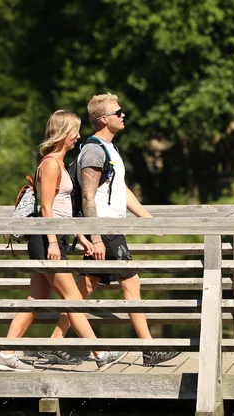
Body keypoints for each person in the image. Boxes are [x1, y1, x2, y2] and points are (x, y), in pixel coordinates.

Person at [39, 94, 180, 367]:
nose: (123, 115)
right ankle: (149, 349)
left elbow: (121, 190)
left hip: (107, 228)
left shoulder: (110, 149)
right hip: (103, 228)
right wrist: (95, 236)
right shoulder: (93, 151)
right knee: (131, 282)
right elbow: (88, 198)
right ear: (103, 119)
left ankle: (54, 345)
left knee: (85, 287)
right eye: (119, 112)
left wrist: (147, 218)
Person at [0, 110, 127, 372]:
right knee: (73, 299)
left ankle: (5, 354)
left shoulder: (59, 163)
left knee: (35, 301)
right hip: (46, 241)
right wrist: (53, 243)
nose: (78, 136)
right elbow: (46, 208)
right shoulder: (51, 164)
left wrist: (80, 237)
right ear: (63, 133)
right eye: (74, 131)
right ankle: (100, 353)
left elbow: (65, 209)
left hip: (54, 239)